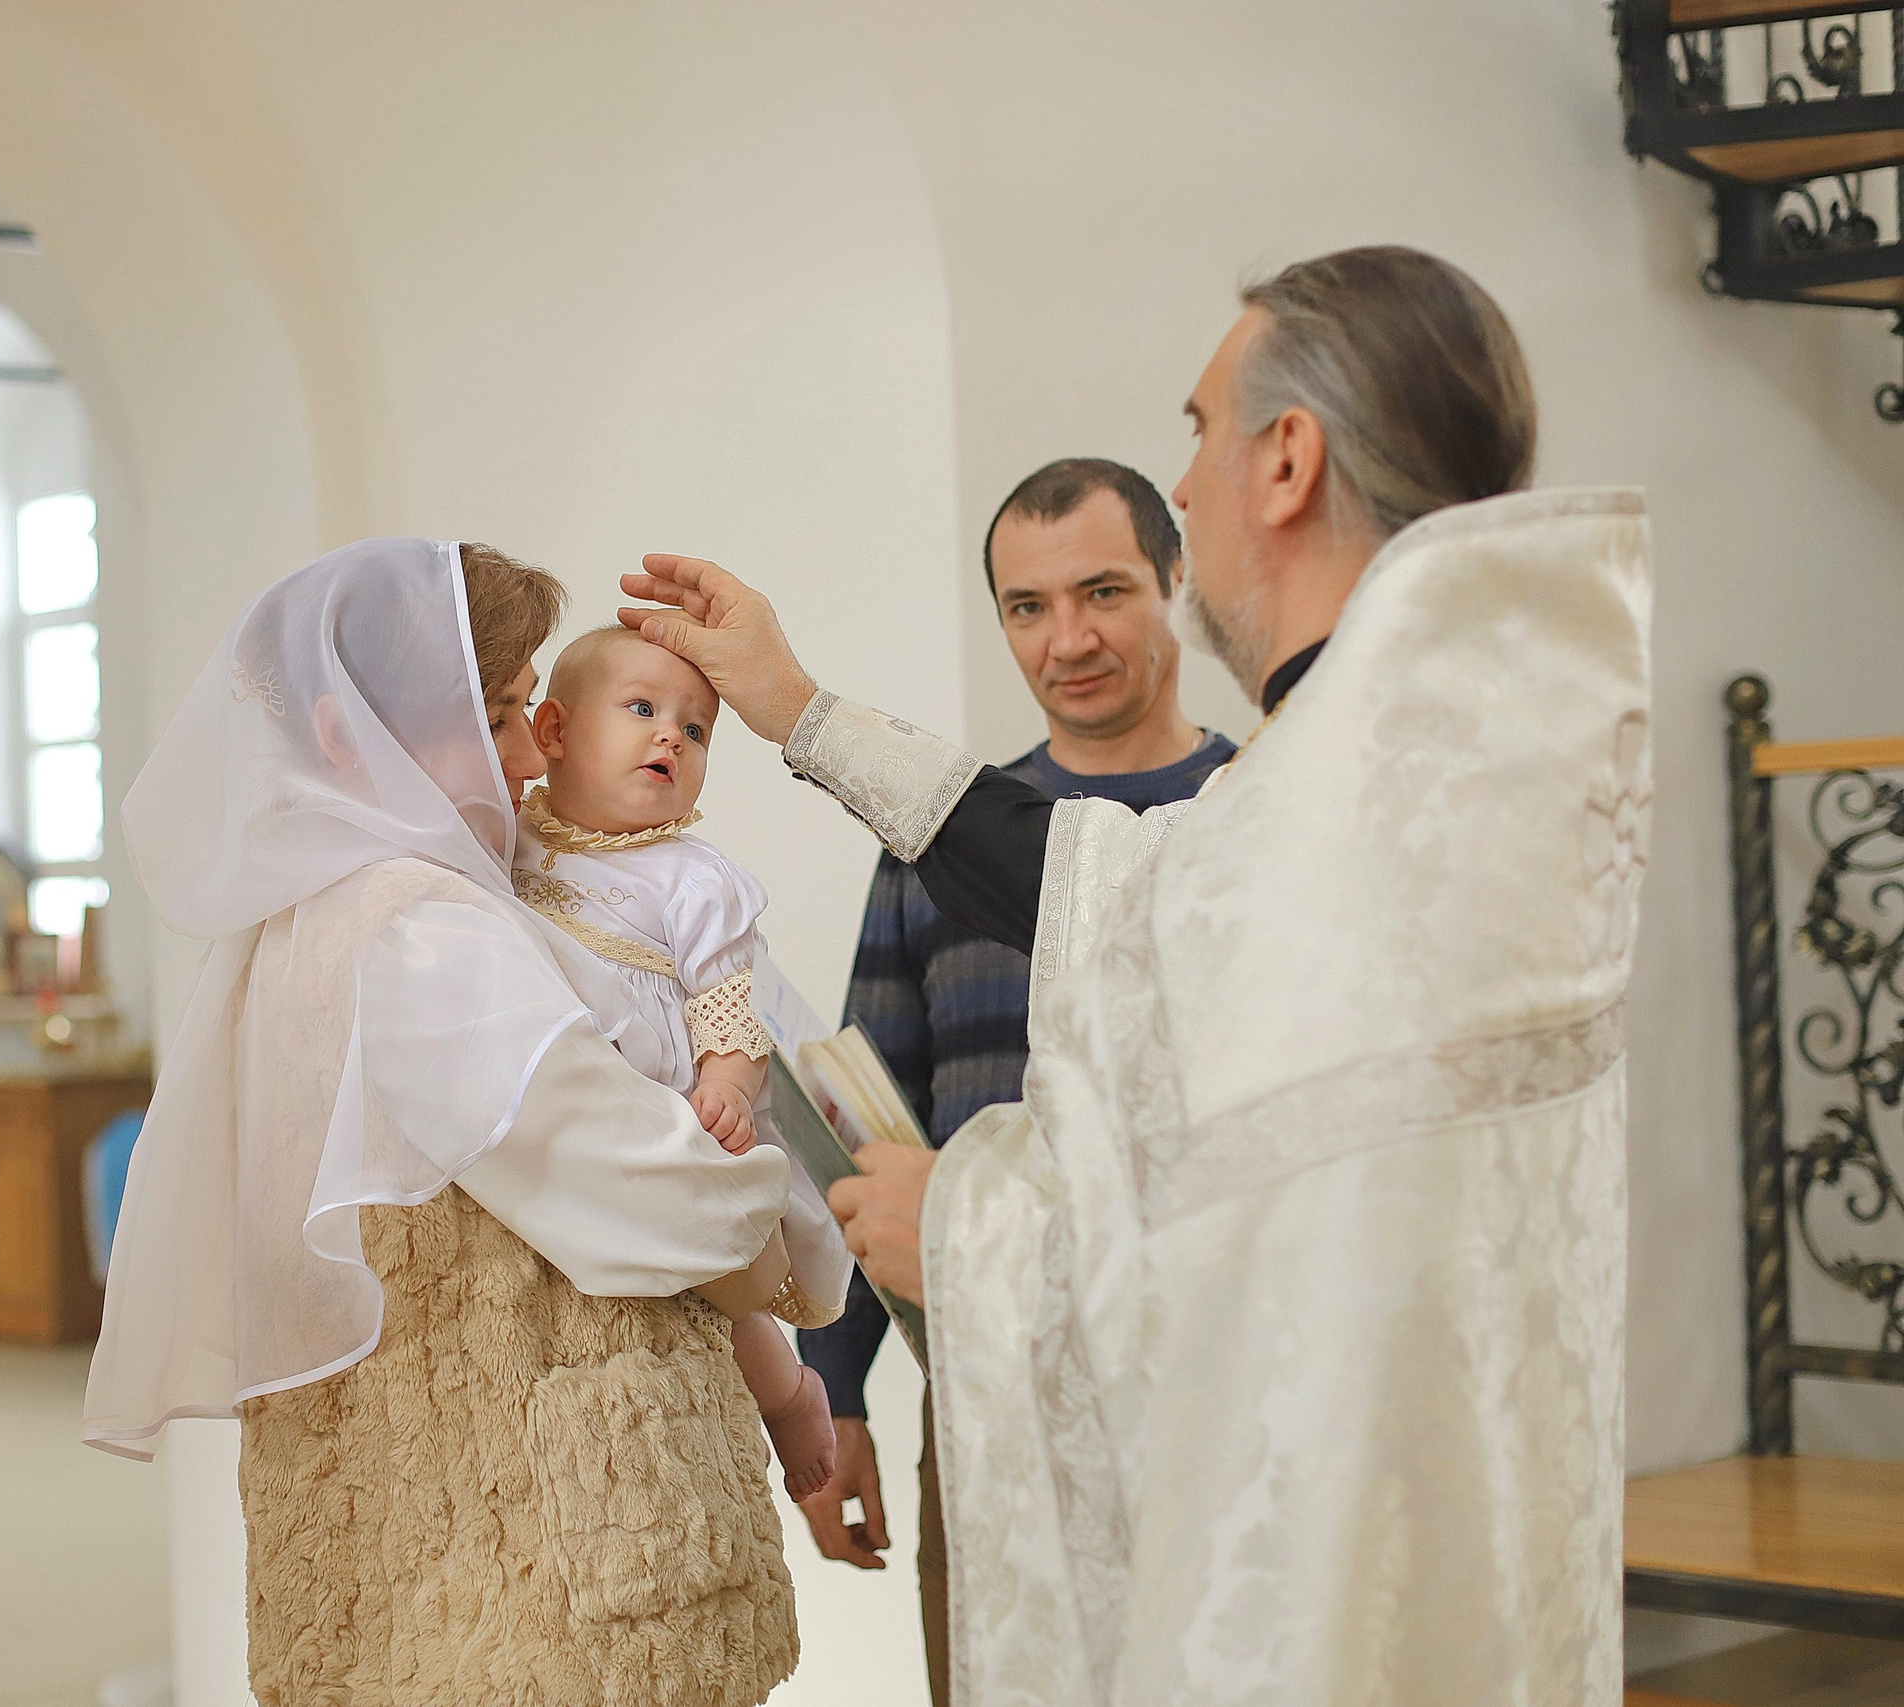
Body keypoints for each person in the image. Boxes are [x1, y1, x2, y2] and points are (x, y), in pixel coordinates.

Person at [621, 246, 1651, 1704]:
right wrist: (800, 707)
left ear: (1285, 457)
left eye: (1198, 429)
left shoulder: (1351, 789)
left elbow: (1281, 1245)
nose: (1190, 479)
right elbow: (1119, 896)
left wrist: (965, 1220)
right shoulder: (1446, 753)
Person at [86, 538, 840, 1707]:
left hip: (397, 1526)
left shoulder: (293, 922)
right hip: (548, 1547)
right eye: (494, 713)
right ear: (351, 736)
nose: (529, 752)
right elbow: (666, 1203)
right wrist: (778, 1218)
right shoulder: (424, 926)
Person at [797, 458, 1233, 1702]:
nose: (1069, 639)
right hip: (987, 1396)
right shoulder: (935, 847)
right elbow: (861, 1120)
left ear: (1174, 581)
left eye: (1103, 592)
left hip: (1205, 1388)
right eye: (1026, 607)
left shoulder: (1252, 813)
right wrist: (840, 1398)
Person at [514, 624, 849, 1502]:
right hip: (571, 1106)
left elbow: (728, 1001)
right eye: (641, 710)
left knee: (717, 1283)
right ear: (550, 732)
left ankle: (790, 1395)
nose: (671, 735)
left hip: (672, 1103)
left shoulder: (693, 877)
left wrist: (727, 1085)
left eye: (695, 730)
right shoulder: (511, 839)